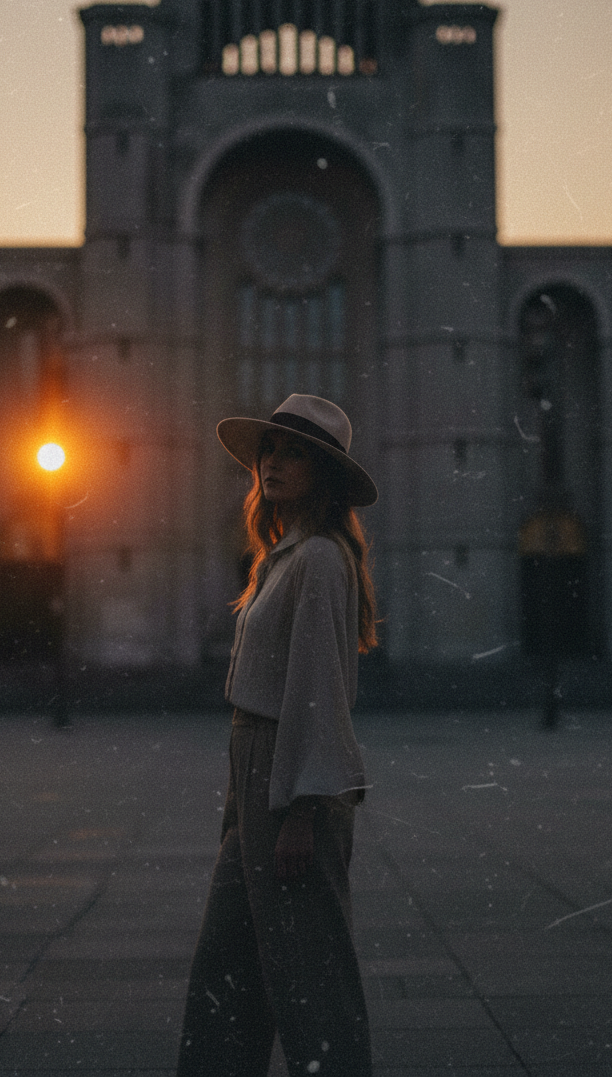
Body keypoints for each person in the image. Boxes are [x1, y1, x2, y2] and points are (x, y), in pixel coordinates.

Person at [177, 394, 378, 1077]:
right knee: (226, 968)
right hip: (255, 774)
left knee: (310, 978)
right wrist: (241, 805)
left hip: (293, 782)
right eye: (270, 449)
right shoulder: (281, 556)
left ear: (323, 472)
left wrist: (301, 810)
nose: (275, 462)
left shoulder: (320, 558)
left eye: (295, 452)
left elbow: (319, 692)